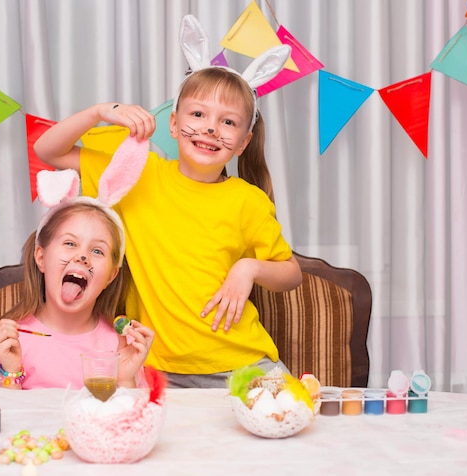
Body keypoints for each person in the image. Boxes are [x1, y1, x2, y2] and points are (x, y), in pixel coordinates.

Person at [33, 15, 302, 388]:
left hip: (244, 363)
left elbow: (291, 274)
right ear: (173, 124)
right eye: (197, 114)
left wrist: (249, 269)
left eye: (227, 122)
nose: (210, 128)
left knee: (294, 430)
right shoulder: (137, 170)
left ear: (243, 142)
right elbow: (47, 149)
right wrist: (99, 112)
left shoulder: (248, 200)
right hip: (157, 370)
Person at [0, 170, 155, 390]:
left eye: (97, 251)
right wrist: (11, 371)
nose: (82, 256)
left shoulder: (119, 345)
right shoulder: (9, 342)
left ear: (111, 275)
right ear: (41, 257)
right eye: (70, 243)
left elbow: (130, 421)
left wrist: (125, 378)